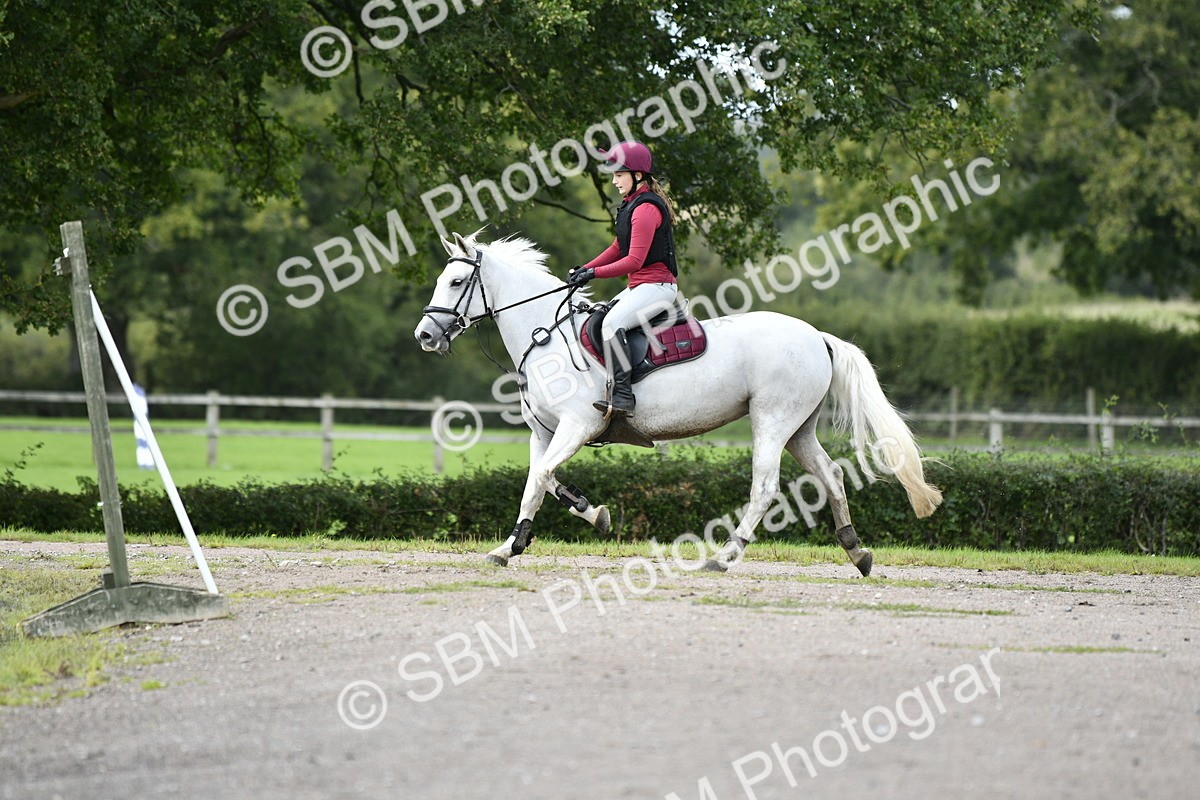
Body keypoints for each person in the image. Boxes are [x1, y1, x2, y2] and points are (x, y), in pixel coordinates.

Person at [567, 140, 680, 417]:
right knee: (597, 317)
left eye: (619, 174)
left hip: (658, 287)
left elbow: (633, 261)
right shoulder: (631, 205)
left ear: (638, 175)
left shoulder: (645, 209)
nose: (614, 181)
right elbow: (618, 248)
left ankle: (623, 397)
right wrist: (585, 268)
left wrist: (594, 274)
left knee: (612, 323)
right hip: (640, 286)